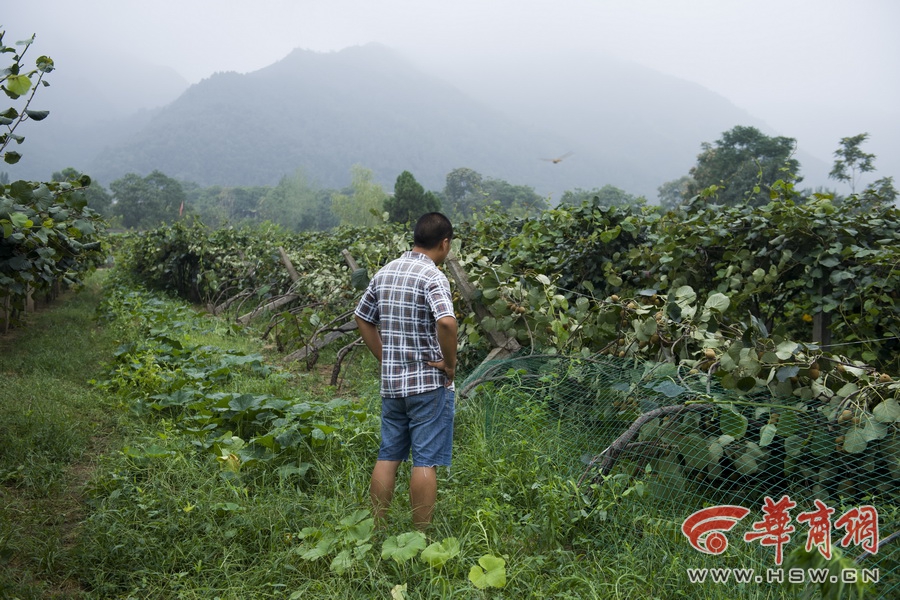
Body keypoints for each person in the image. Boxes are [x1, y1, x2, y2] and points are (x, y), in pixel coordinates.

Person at [354, 212, 458, 530]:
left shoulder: (384, 272)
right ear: (444, 243)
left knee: (388, 456)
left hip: (392, 385)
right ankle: (420, 535)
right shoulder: (433, 276)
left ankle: (377, 527)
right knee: (424, 460)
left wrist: (384, 357)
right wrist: (449, 365)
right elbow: (446, 321)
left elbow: (362, 317)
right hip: (427, 383)